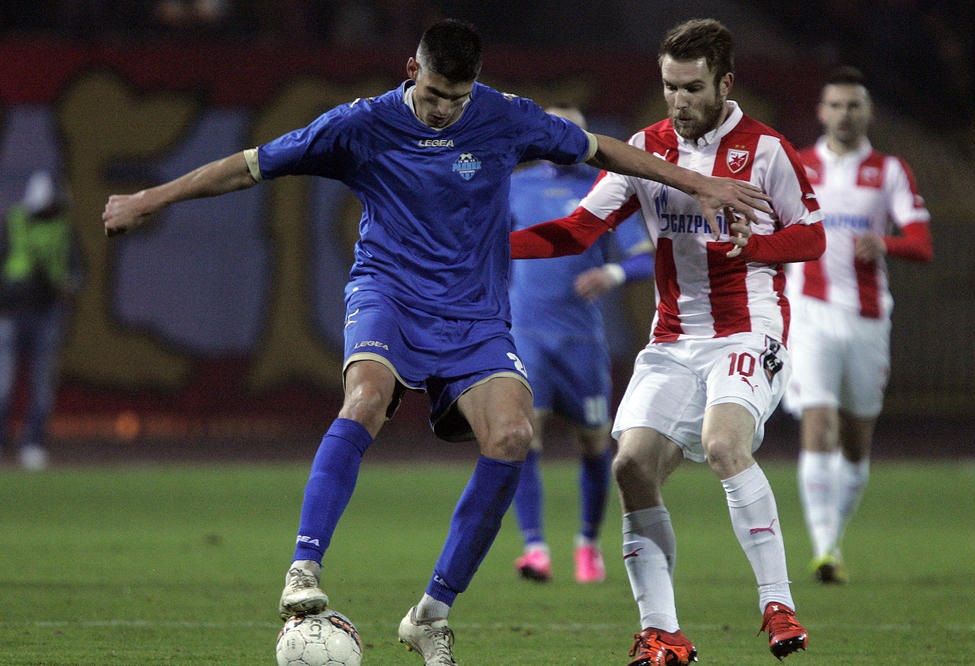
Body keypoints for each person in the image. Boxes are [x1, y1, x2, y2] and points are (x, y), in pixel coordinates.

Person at [103, 18, 773, 665]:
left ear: (473, 87)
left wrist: (698, 182)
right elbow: (248, 167)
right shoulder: (358, 125)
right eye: (431, 94)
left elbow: (603, 149)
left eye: (455, 98)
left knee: (513, 438)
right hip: (387, 295)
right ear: (410, 72)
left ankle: (431, 615)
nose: (443, 111)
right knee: (364, 398)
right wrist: (148, 200)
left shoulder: (504, 115)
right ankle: (303, 565)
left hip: (475, 315)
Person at [510, 18, 824, 664]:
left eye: (691, 87)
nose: (677, 101)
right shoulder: (646, 149)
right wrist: (489, 247)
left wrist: (756, 245)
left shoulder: (765, 151)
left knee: (722, 443)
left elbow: (812, 237)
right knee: (630, 465)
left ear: (725, 83)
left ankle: (778, 602)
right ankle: (662, 631)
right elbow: (574, 231)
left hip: (746, 327)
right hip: (674, 340)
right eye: (668, 87)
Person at [783, 66, 933, 584]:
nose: (845, 115)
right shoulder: (798, 167)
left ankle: (834, 538)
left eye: (854, 106)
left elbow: (921, 243)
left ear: (867, 112)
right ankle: (825, 549)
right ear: (821, 112)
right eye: (836, 105)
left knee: (855, 441)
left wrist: (885, 243)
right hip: (810, 314)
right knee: (817, 423)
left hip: (868, 317)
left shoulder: (889, 170)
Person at [507, 104, 655, 585]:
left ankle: (587, 545)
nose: (562, 136)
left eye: (573, 128)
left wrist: (611, 272)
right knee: (523, 438)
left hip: (582, 340)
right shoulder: (514, 183)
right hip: (526, 335)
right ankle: (534, 548)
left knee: (594, 443)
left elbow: (644, 258)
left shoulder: (604, 187)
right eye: (553, 127)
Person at [0, 171, 82, 471]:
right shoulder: (14, 221)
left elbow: (76, 269)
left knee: (41, 386)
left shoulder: (63, 226)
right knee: (2, 384)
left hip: (47, 314)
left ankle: (33, 443)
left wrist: (69, 285)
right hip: (9, 314)